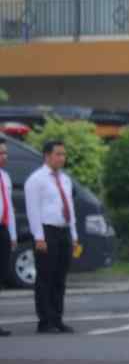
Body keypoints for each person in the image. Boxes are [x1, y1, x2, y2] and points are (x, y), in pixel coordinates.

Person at [24, 140, 79, 334]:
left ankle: (57, 318)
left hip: (63, 230)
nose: (62, 158)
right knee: (45, 277)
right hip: (47, 231)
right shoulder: (36, 180)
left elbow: (70, 208)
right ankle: (45, 320)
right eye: (58, 154)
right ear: (47, 156)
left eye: (64, 154)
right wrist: (39, 237)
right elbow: (33, 211)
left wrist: (73, 234)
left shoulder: (65, 179)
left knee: (60, 278)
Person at [0, 136, 17, 337]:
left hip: (2, 229)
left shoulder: (6, 177)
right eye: (1, 153)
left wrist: (12, 234)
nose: (4, 157)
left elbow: (9, 208)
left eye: (5, 153)